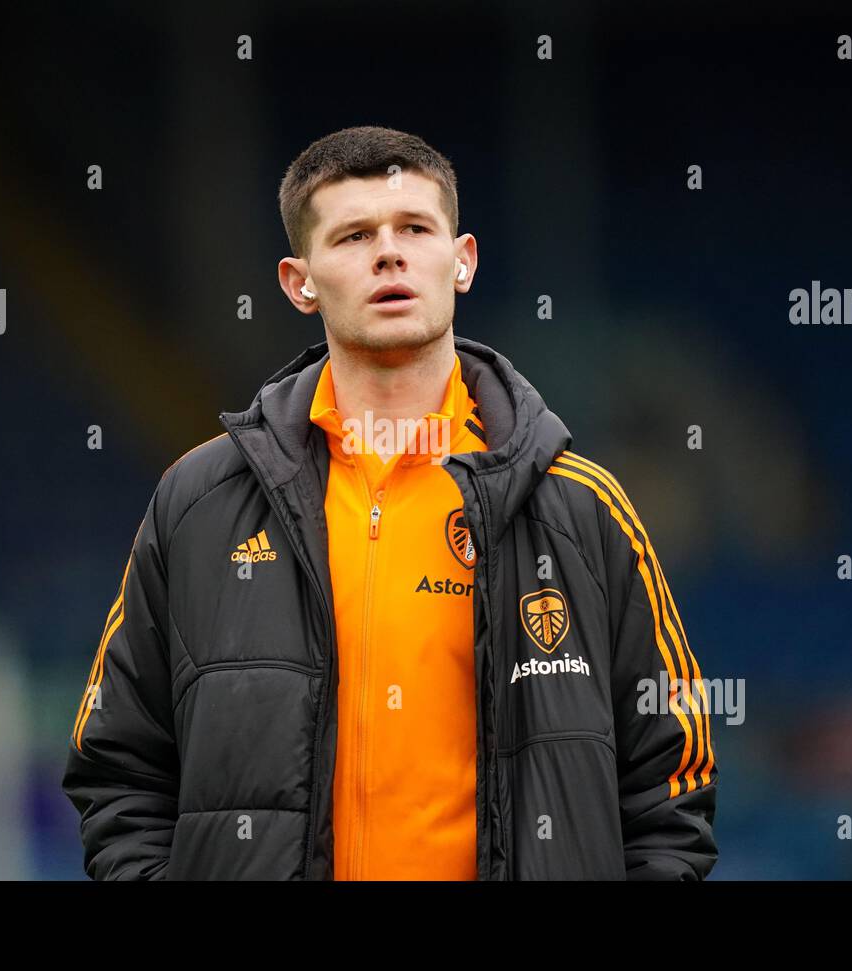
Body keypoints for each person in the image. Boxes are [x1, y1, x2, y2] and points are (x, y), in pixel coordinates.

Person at [61, 125, 718, 880]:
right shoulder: (198, 503)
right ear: (297, 280)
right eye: (352, 236)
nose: (389, 253)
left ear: (462, 260)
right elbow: (118, 766)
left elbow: (674, 777)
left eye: (414, 228)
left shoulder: (580, 507)